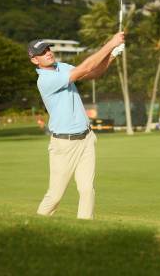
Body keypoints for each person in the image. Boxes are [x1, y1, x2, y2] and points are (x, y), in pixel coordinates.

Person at [29, 33, 125, 220]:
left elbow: (94, 72)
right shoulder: (45, 80)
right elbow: (86, 66)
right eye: (42, 52)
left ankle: (84, 229)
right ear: (35, 60)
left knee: (87, 189)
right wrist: (110, 44)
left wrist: (113, 54)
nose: (48, 53)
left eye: (48, 49)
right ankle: (35, 226)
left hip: (86, 138)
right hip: (64, 144)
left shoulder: (61, 67)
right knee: (55, 195)